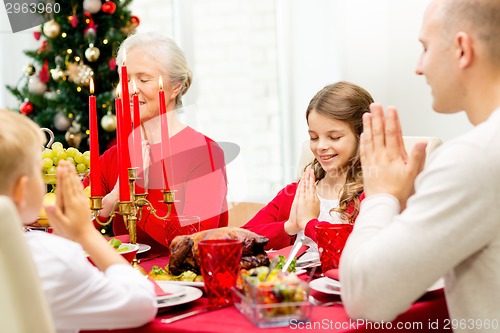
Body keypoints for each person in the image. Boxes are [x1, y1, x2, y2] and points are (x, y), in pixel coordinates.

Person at [340, 0, 500, 329]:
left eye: (425, 48)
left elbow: (365, 298)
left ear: (461, 49)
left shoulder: (476, 156)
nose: (419, 67)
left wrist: (381, 194)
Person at [0, 109, 157, 333]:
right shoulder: (47, 256)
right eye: (38, 168)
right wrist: (86, 233)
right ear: (21, 189)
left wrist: (64, 237)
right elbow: (140, 302)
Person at [94, 33, 228, 256]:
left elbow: (192, 243)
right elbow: (69, 227)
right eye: (125, 78)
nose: (132, 89)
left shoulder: (204, 154)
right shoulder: (113, 156)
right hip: (125, 282)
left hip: (186, 285)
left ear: (175, 87)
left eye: (143, 79)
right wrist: (113, 198)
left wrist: (137, 192)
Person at [242, 81, 371, 253]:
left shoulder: (373, 195)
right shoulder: (298, 193)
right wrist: (289, 226)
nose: (321, 146)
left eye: (334, 137)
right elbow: (239, 238)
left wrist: (310, 223)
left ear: (362, 136)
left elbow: (357, 254)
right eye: (314, 137)